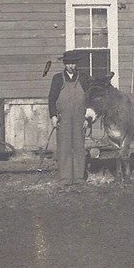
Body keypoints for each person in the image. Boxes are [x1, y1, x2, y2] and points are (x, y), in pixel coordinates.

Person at [48, 49, 92, 185]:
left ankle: (79, 177)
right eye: (69, 64)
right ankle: (65, 178)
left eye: (74, 64)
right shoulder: (57, 78)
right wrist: (53, 116)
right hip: (64, 118)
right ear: (65, 64)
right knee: (64, 147)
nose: (72, 67)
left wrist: (87, 118)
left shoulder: (84, 78)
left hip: (80, 118)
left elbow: (90, 98)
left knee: (79, 147)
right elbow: (51, 99)